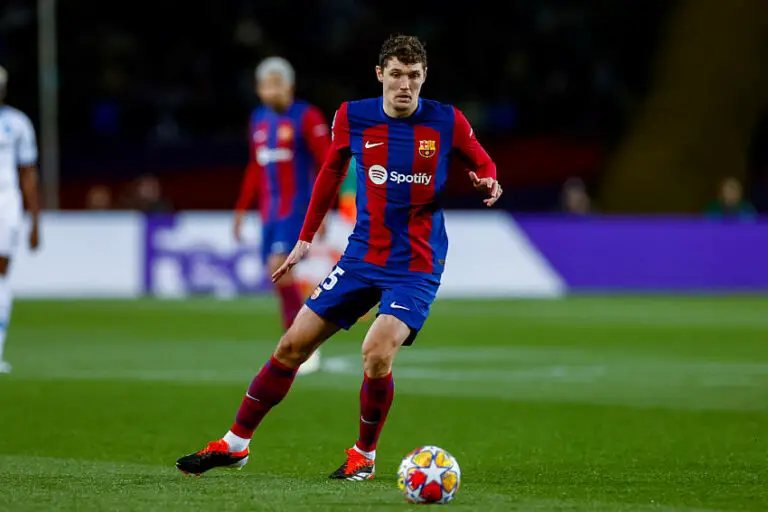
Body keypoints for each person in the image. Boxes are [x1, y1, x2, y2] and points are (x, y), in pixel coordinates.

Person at [176, 34, 502, 479]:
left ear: (425, 76)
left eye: (414, 75)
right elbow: (330, 172)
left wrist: (488, 180)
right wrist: (305, 238)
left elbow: (484, 163)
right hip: (361, 257)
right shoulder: (353, 116)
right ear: (380, 75)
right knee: (291, 346)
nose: (405, 85)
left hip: (416, 264)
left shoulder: (447, 120)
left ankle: (363, 456)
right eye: (396, 74)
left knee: (376, 351)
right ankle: (235, 444)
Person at [233, 57, 331, 375]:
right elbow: (254, 168)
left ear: (290, 85)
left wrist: (323, 210)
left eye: (277, 83)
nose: (271, 90)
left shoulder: (307, 117)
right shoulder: (258, 120)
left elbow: (328, 163)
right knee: (276, 272)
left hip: (297, 209)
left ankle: (300, 342)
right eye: (265, 85)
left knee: (280, 266)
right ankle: (297, 339)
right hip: (269, 213)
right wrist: (240, 210)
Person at [0, 65, 41, 373]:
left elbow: (28, 175)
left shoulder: (17, 124)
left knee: (0, 276)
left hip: (5, 205)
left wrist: (35, 221)